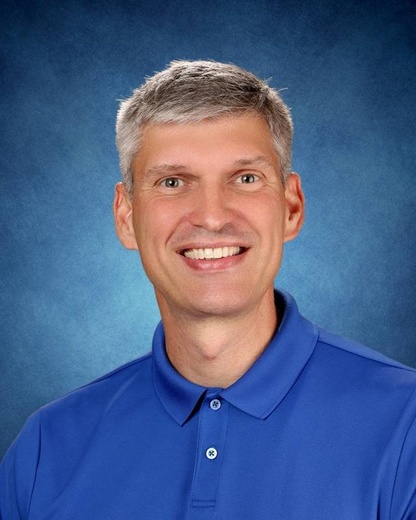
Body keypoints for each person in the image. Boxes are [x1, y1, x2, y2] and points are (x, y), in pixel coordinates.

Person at [1, 60, 415, 520]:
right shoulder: (45, 452)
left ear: (291, 207)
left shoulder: (406, 425)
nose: (212, 216)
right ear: (125, 217)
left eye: (245, 178)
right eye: (173, 182)